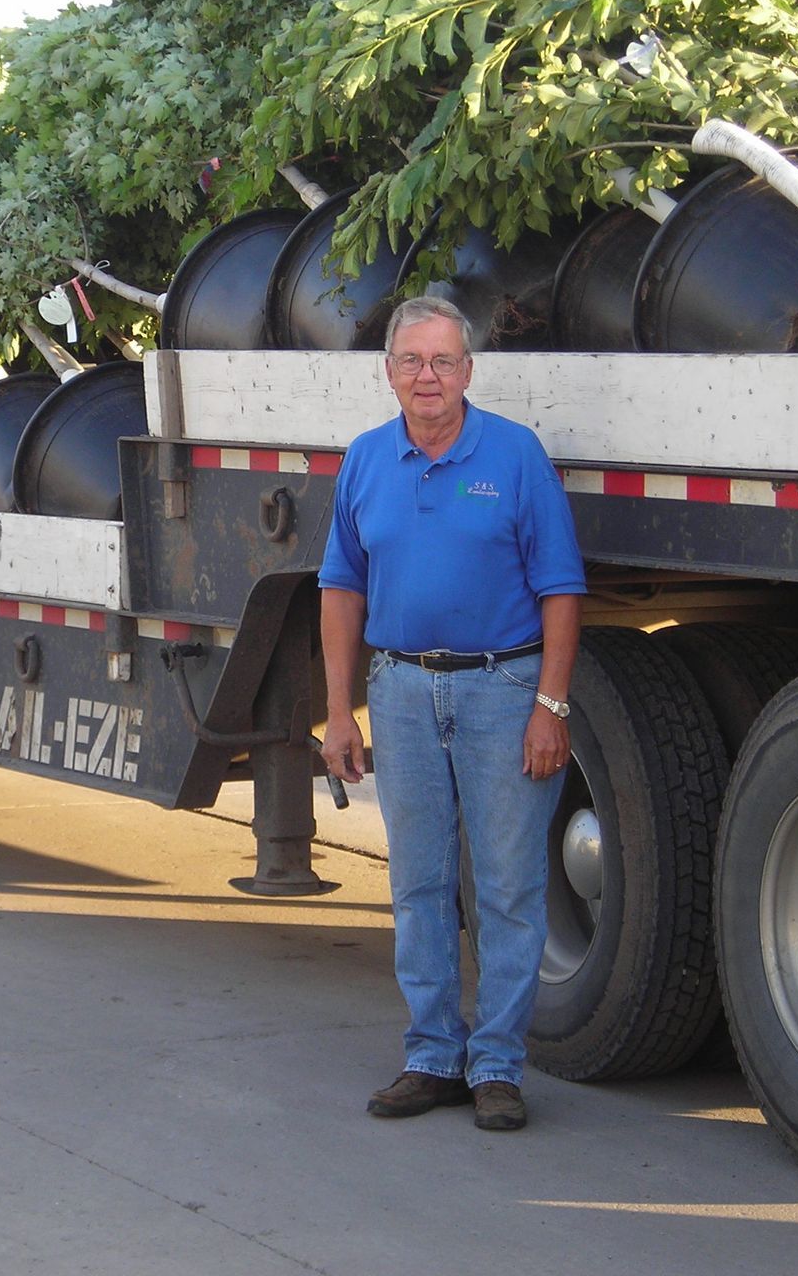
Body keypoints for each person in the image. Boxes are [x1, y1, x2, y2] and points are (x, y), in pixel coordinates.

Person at [318, 295, 585, 1132]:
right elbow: (341, 588)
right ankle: (432, 1054)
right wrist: (339, 711)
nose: (426, 377)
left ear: (467, 372)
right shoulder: (365, 460)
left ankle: (498, 1066)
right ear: (389, 372)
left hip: (503, 688)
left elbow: (562, 589)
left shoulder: (513, 455)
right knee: (419, 882)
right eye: (411, 362)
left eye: (442, 362)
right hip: (398, 690)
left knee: (508, 885)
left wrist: (550, 704)